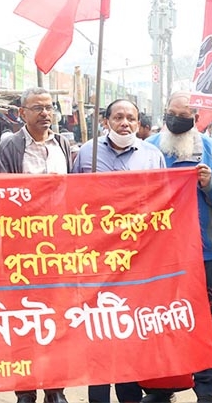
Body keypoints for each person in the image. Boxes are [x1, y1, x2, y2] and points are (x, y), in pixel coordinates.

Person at [72, 99, 165, 403]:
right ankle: (97, 396)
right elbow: (72, 199)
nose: (125, 123)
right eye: (119, 117)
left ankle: (130, 396)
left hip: (135, 259)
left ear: (139, 124)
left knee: (128, 330)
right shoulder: (88, 153)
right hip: (95, 258)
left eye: (131, 119)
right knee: (98, 330)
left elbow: (164, 201)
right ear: (106, 121)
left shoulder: (152, 156)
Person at [144, 91, 212, 403]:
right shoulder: (149, 149)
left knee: (205, 320)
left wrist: (209, 185)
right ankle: (162, 388)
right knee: (162, 318)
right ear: (166, 114)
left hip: (202, 250)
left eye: (185, 115)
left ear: (195, 117)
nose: (178, 120)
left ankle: (206, 389)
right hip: (160, 253)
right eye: (173, 114)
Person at [0, 87, 70, 403]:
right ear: (22, 113)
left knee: (57, 318)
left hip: (59, 248)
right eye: (37, 108)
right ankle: (25, 389)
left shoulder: (64, 143)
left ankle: (55, 388)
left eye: (49, 107)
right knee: (23, 319)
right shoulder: (10, 147)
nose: (45, 113)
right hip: (22, 250)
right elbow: (6, 195)